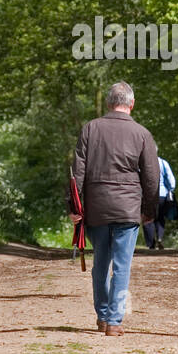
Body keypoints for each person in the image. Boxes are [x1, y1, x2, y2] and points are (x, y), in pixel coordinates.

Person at [68, 81, 159, 336]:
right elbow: (152, 177)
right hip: (128, 209)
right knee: (122, 265)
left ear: (109, 103)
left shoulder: (91, 129)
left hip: (96, 208)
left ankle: (102, 315)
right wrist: (150, 210)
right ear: (131, 103)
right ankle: (115, 321)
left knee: (100, 263)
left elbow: (77, 171)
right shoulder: (142, 134)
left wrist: (74, 205)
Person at [143, 155, 176, 250]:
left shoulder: (144, 162)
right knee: (160, 218)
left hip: (147, 194)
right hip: (162, 194)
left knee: (148, 218)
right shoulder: (163, 162)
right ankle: (160, 238)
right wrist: (171, 189)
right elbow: (170, 178)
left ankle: (151, 243)